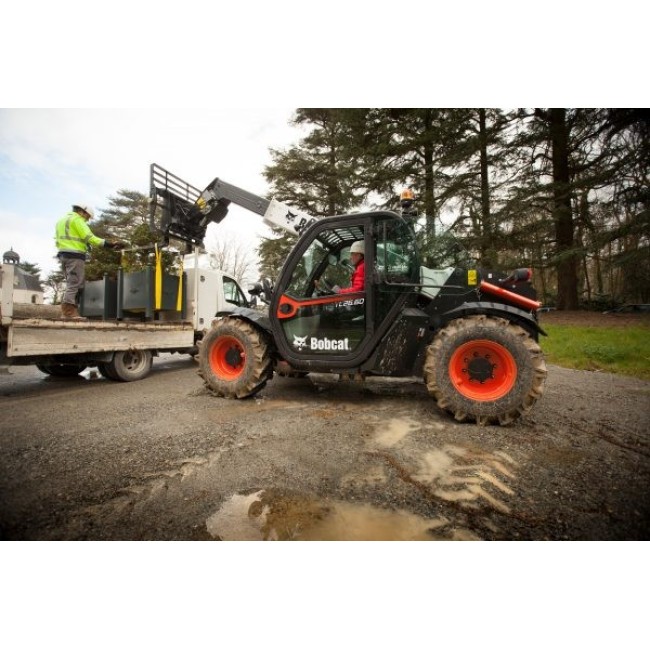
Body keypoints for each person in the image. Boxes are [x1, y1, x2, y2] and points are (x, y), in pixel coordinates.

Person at [55, 203, 123, 318]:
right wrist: (109, 244)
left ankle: (69, 311)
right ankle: (68, 312)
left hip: (63, 255)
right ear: (82, 212)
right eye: (87, 217)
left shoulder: (61, 221)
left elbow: (63, 239)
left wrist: (85, 246)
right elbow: (90, 237)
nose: (87, 220)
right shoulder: (77, 220)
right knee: (75, 283)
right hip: (75, 255)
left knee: (73, 282)